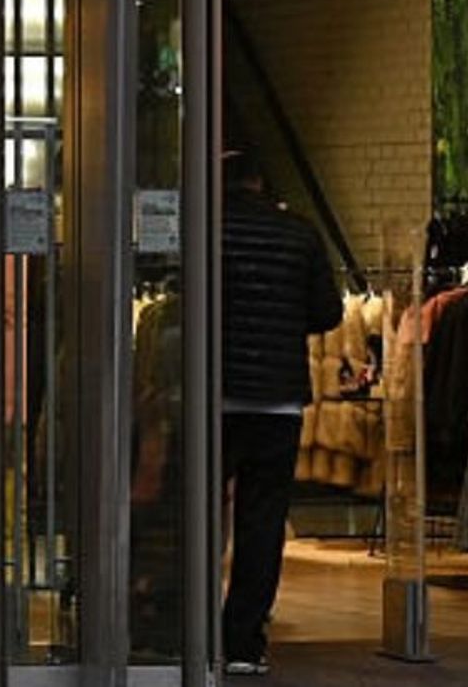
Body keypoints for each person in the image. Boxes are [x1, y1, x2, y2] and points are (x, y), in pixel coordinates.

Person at [220, 149, 339, 676]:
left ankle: (187, 627)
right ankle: (244, 641)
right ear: (259, 183)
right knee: (262, 520)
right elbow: (328, 313)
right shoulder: (300, 233)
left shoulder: (206, 230)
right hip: (279, 398)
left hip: (214, 394)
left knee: (198, 513)